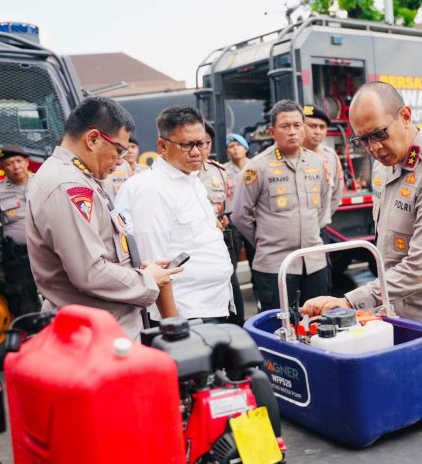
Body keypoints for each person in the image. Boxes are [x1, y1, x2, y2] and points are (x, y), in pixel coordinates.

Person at [302, 82, 422, 335]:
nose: (373, 148)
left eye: (379, 134)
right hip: (397, 317)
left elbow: (419, 266)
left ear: (405, 116)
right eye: (362, 140)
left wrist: (350, 301)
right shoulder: (384, 165)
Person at [25, 97, 181, 339]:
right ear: (93, 139)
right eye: (119, 149)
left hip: (104, 329)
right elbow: (90, 272)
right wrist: (147, 280)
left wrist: (138, 268)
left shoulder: (81, 177)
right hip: (98, 337)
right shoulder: (68, 185)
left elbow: (102, 253)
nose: (120, 160)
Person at [116, 105, 233, 324]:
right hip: (185, 314)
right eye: (187, 144)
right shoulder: (152, 189)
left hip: (211, 305)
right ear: (162, 146)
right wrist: (174, 326)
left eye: (202, 143)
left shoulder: (191, 178)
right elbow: (156, 268)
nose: (197, 152)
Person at [231, 100, 330, 312]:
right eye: (285, 126)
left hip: (315, 265)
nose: (292, 131)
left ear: (304, 128)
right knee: (278, 330)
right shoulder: (257, 167)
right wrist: (265, 240)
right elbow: (240, 215)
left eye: (297, 125)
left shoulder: (317, 163)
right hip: (275, 267)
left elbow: (323, 205)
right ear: (272, 132)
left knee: (319, 325)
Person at [0, 144, 39, 316]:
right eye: (9, 164)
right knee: (23, 304)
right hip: (18, 257)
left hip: (47, 251)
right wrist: (3, 258)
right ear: (3, 168)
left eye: (19, 161)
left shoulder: (43, 182)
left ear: (27, 162)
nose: (16, 167)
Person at [198, 122, 245, 326]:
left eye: (206, 142)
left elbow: (224, 203)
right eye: (195, 142)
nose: (201, 147)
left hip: (223, 242)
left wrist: (223, 220)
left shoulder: (218, 171)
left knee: (232, 294)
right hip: (197, 250)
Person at [302, 104, 344, 287]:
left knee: (320, 288)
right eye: (312, 126)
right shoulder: (288, 155)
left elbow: (335, 195)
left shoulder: (330, 156)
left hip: (319, 232)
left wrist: (320, 219)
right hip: (289, 235)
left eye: (322, 127)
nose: (317, 132)